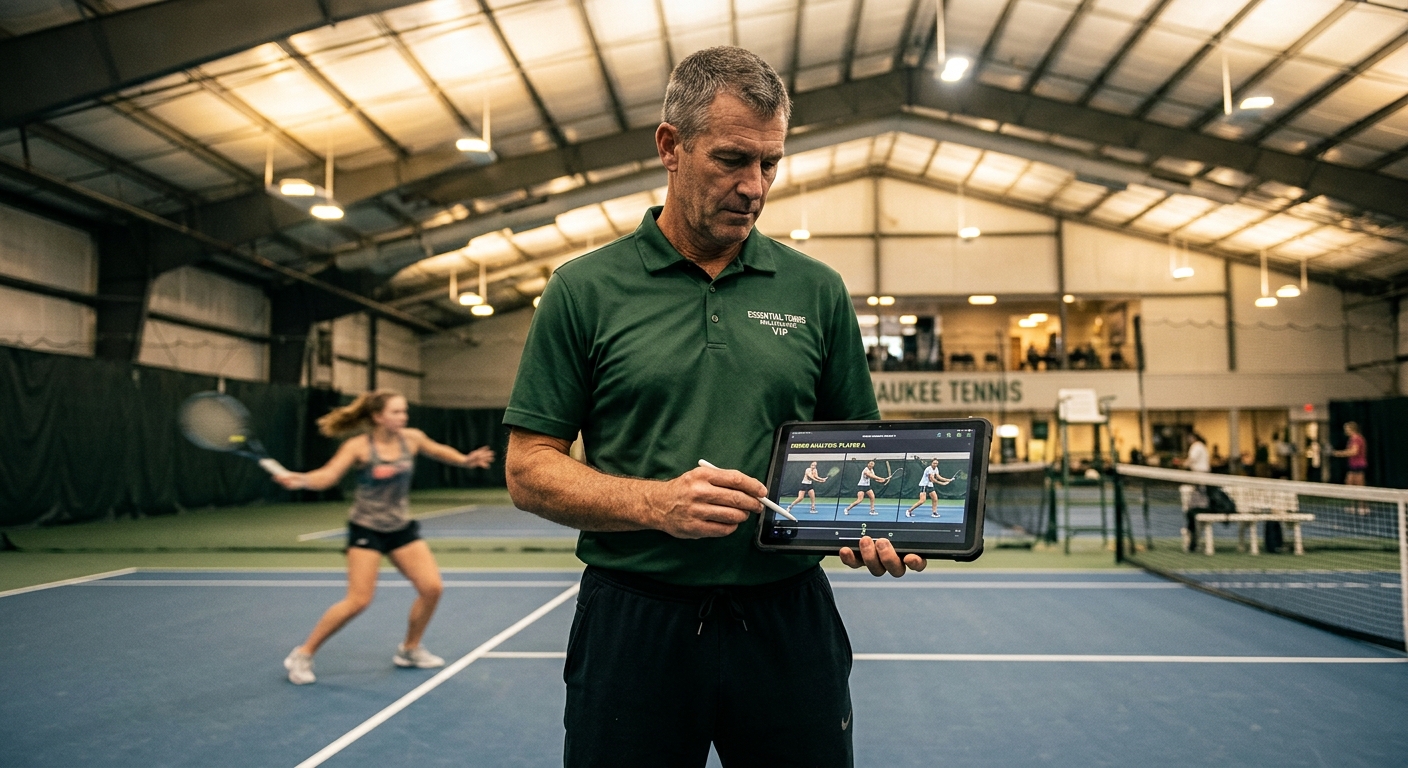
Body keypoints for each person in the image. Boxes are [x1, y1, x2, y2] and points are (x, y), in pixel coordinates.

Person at [502, 46, 921, 768]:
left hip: (788, 620)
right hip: (634, 623)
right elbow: (528, 469)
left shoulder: (816, 290)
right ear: (671, 146)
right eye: (732, 160)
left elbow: (861, 461)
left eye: (770, 164)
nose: (754, 187)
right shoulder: (583, 289)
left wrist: (873, 527)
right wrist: (656, 505)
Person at [274, 390, 495, 685]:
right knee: (358, 600)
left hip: (400, 528)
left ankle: (409, 649)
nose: (403, 417)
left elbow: (440, 451)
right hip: (367, 529)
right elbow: (328, 476)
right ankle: (303, 653)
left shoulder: (412, 438)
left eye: (404, 412)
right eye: (396, 412)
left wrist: (466, 460)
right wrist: (300, 479)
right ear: (378, 416)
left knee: (431, 588)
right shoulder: (359, 447)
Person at [1332, 421, 1369, 514]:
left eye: (1347, 429)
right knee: (1349, 485)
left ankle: (1363, 508)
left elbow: (1354, 452)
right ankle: (1352, 506)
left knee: (1360, 487)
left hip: (1359, 465)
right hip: (1352, 465)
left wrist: (1338, 453)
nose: (1345, 430)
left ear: (1352, 429)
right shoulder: (1351, 439)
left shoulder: (1357, 439)